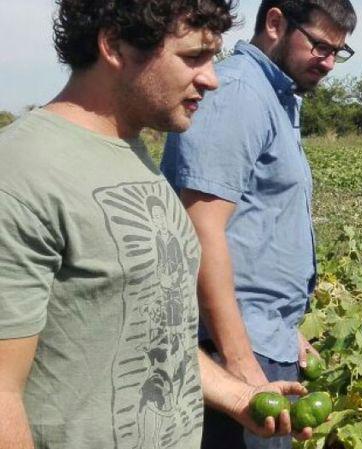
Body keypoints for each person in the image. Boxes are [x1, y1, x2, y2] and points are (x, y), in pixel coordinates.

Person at [0, 1, 311, 448]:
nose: (212, 78)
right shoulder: (21, 172)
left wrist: (241, 396)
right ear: (114, 45)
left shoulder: (134, 155)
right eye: (192, 57)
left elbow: (153, 328)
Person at [160, 1, 357, 447]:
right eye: (321, 46)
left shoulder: (273, 98)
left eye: (338, 53)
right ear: (275, 22)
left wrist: (284, 333)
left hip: (263, 342)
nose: (327, 63)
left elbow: (253, 230)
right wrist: (243, 365)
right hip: (230, 354)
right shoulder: (238, 94)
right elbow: (201, 232)